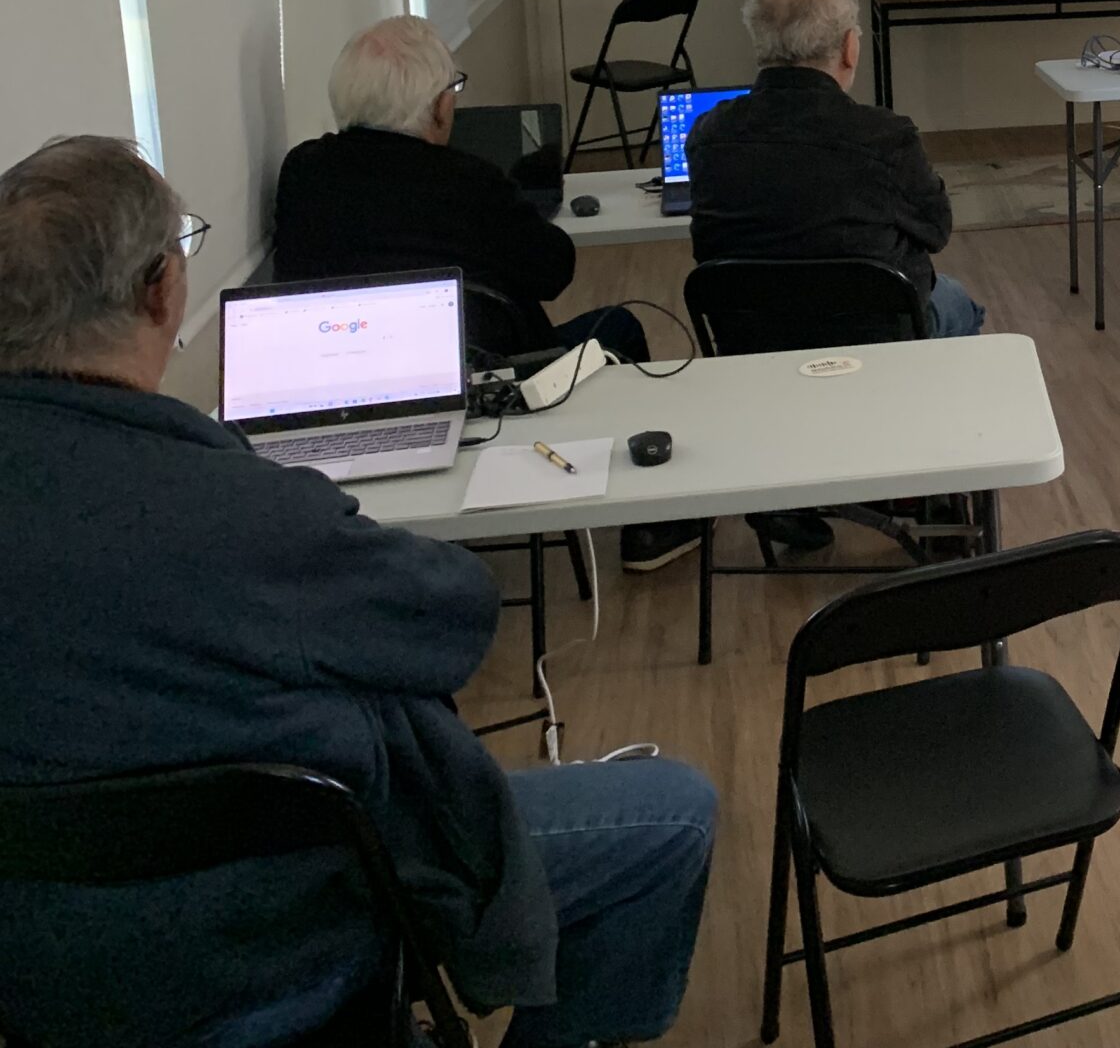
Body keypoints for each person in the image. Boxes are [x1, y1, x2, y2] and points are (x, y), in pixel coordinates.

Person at [0, 136, 715, 1047]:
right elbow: (453, 617)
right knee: (671, 814)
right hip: (295, 944)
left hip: (39, 983)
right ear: (159, 291)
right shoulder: (249, 520)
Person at [687, 0, 983, 555]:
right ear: (850, 48)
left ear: (760, 47)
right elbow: (936, 226)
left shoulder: (710, 135)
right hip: (874, 341)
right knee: (958, 304)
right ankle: (932, 497)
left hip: (753, 346)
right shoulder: (883, 137)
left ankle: (786, 493)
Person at [273, 15, 647, 367]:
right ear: (439, 106)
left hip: (351, 370)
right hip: (488, 376)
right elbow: (553, 273)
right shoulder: (470, 181)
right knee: (619, 326)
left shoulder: (302, 172)